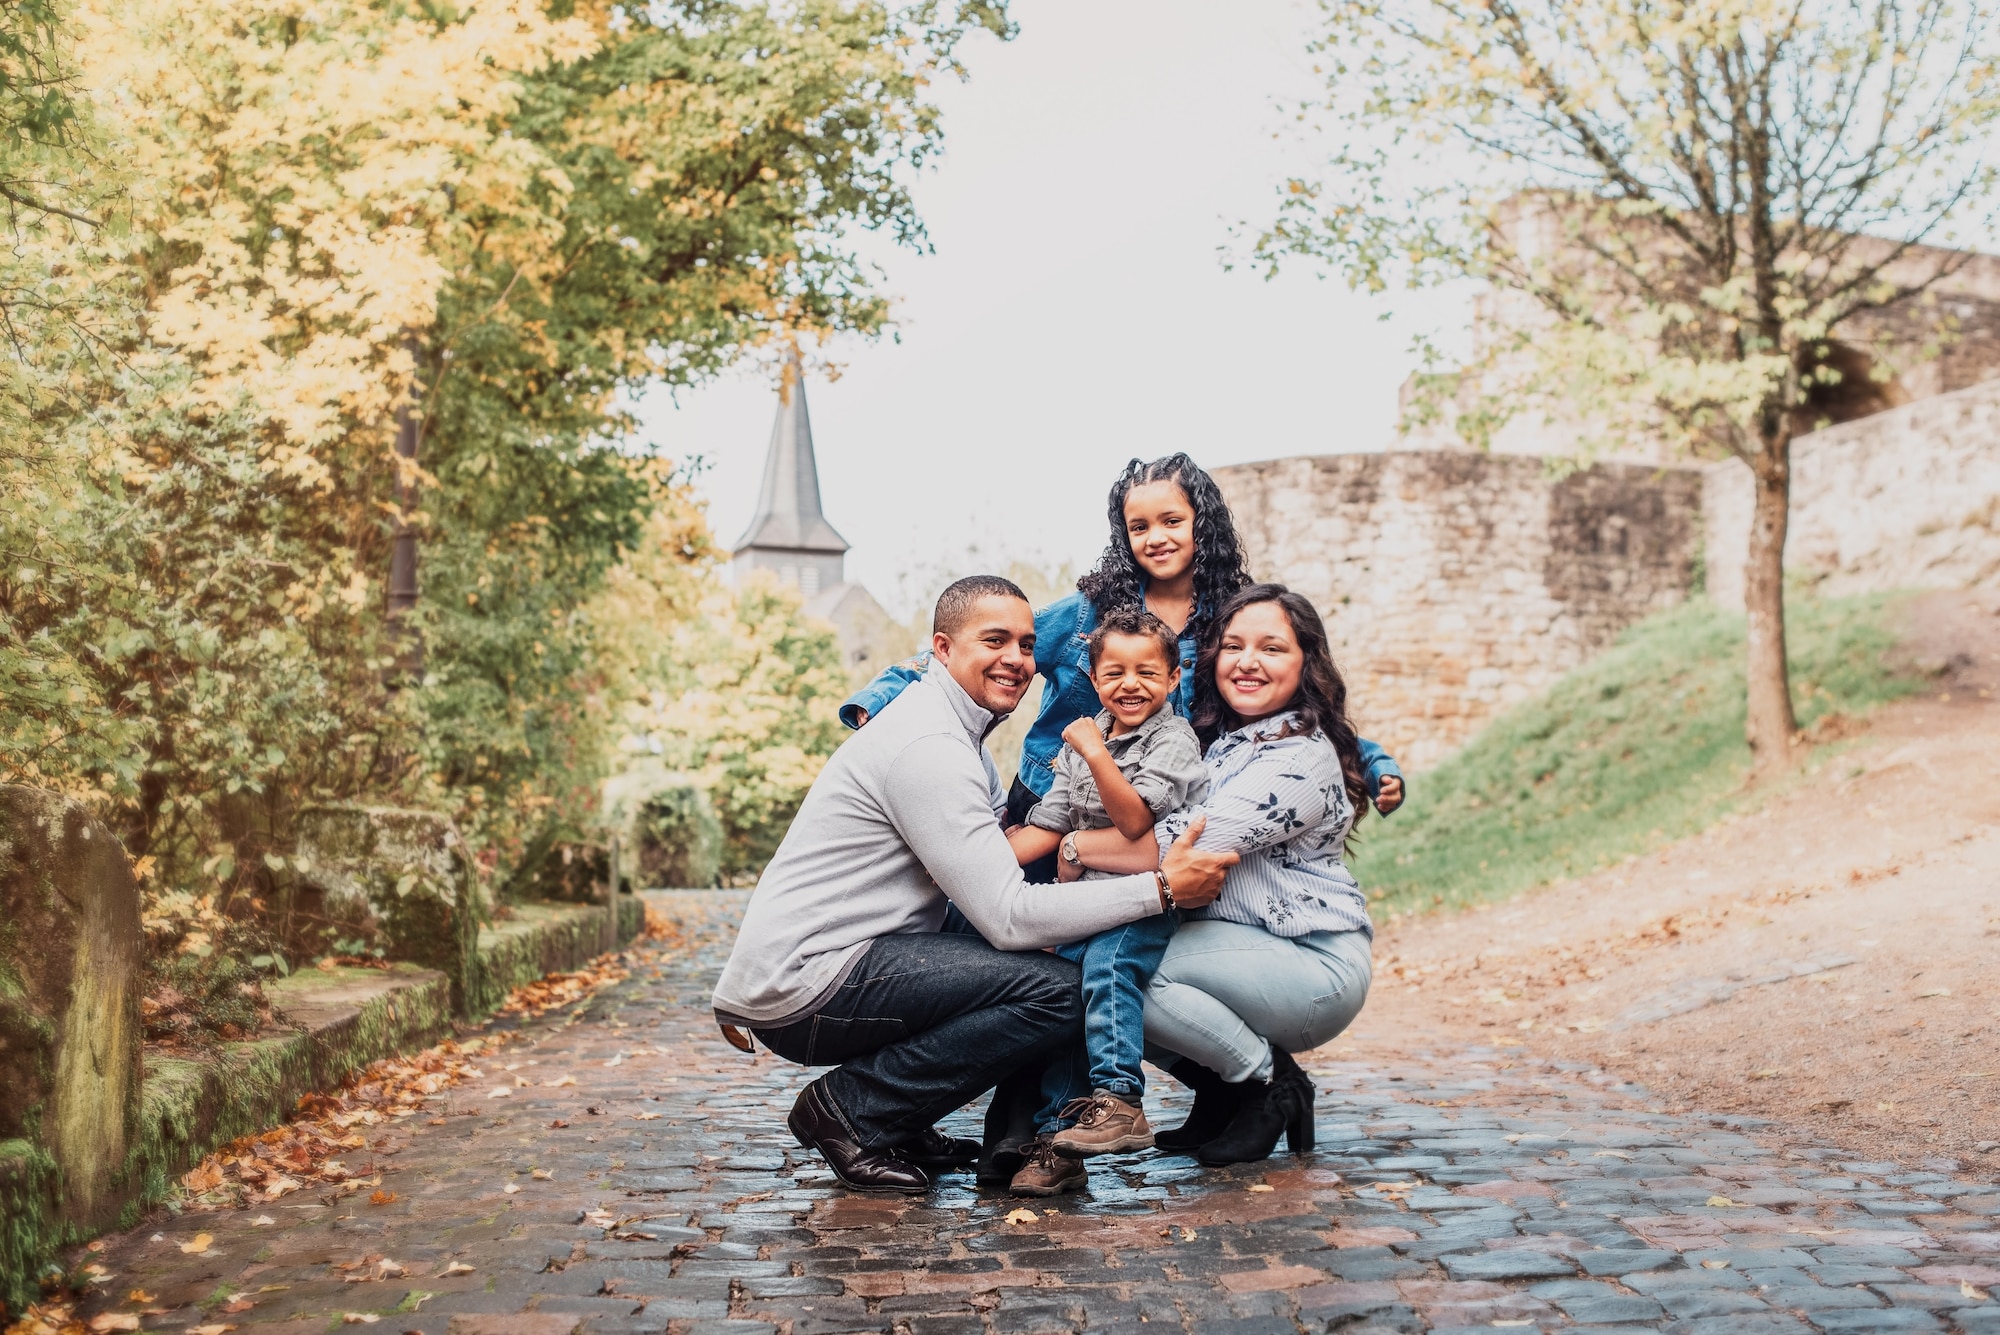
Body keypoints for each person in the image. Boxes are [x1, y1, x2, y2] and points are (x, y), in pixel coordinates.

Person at [710, 576, 1239, 1194]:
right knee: (1061, 991)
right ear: (941, 648)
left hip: (846, 958)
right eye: (994, 640)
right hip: (812, 980)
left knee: (1029, 963)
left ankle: (903, 1121)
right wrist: (1163, 890)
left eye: (1025, 643)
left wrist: (1072, 872)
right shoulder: (929, 744)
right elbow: (1008, 915)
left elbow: (1000, 865)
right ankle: (854, 1110)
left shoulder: (957, 734)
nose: (1015, 659)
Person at [842, 456, 1405, 878]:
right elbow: (981, 652)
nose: (1156, 538)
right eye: (1139, 527)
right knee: (996, 935)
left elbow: (1299, 704)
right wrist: (881, 700)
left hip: (1148, 824)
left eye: (1171, 521)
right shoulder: (1087, 611)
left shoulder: (1232, 622)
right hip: (1050, 807)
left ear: (1200, 524)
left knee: (1099, 966)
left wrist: (1374, 763)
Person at [1060, 583, 1376, 1167]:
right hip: (1248, 947)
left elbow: (1177, 844)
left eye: (1272, 648)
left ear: (1307, 662)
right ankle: (1223, 1092)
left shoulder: (1298, 754)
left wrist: (1075, 844)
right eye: (1233, 646)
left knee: (1127, 971)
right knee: (1092, 970)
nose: (1248, 661)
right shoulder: (1231, 743)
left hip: (1313, 960)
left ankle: (1268, 1085)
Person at [999, 607, 1208, 1196]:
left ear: (1173, 680)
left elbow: (1137, 819)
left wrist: (1095, 752)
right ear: (1094, 681)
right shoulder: (1086, 739)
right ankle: (1059, 1143)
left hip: (1145, 900)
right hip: (1084, 903)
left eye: (1147, 671)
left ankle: (1120, 1098)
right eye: (1114, 672)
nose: (1130, 684)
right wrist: (973, 865)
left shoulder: (1173, 738)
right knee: (1061, 1000)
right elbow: (1049, 823)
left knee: (1108, 967)